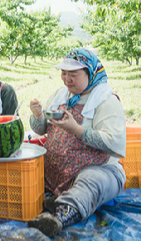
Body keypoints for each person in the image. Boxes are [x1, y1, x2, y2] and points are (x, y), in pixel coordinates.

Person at [27, 48, 126, 238]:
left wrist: (76, 129)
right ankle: (55, 198)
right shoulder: (61, 95)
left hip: (99, 170)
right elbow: (41, 129)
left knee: (91, 180)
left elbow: (114, 143)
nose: (66, 79)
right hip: (57, 173)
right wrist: (38, 115)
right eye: (63, 73)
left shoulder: (106, 101)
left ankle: (59, 218)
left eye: (73, 75)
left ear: (90, 74)